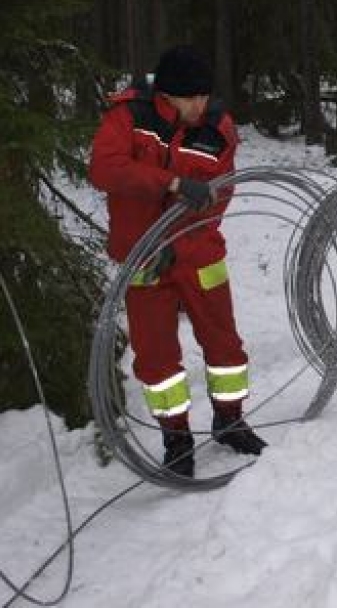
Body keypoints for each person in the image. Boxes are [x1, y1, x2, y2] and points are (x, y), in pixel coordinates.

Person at [89, 45, 266, 477]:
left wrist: (180, 240)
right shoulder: (129, 118)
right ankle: (177, 440)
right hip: (144, 258)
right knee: (157, 358)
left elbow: (218, 195)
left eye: (204, 97)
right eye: (191, 99)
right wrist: (168, 182)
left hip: (198, 252)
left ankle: (230, 421)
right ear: (166, 96)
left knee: (225, 345)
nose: (200, 106)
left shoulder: (217, 129)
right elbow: (104, 169)